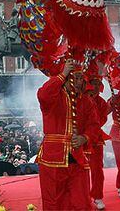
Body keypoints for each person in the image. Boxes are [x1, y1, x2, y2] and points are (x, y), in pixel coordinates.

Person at [37, 59, 100, 210]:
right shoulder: (53, 98)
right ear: (65, 79)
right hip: (53, 157)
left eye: (81, 78)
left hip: (77, 157)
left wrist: (85, 137)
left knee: (81, 201)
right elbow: (43, 95)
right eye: (75, 77)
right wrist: (63, 73)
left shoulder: (86, 101)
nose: (79, 82)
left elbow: (94, 125)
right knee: (54, 201)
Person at [86, 75, 110, 210]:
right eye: (93, 83)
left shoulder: (101, 103)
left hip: (95, 138)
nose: (95, 86)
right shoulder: (80, 99)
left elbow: (101, 120)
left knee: (97, 169)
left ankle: (97, 196)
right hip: (80, 139)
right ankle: (82, 196)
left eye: (98, 84)